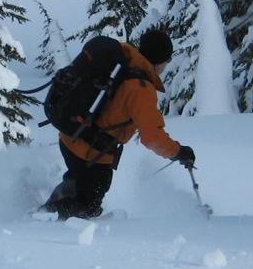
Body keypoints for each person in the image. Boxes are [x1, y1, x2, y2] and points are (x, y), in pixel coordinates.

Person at [41, 27, 195, 220]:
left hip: (72, 135)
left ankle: (42, 215)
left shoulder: (124, 60)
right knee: (87, 207)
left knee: (75, 184)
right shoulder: (141, 88)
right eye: (167, 60)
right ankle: (45, 227)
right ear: (160, 60)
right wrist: (179, 152)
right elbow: (152, 137)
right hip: (91, 151)